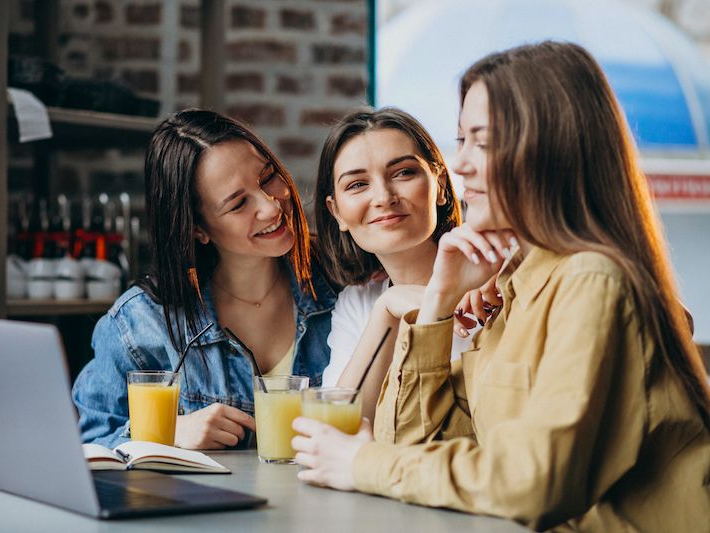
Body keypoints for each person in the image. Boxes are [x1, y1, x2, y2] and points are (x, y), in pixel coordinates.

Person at [292, 41, 710, 532]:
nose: (461, 163)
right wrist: (439, 306)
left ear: (549, 150)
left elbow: (536, 482)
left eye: (482, 142)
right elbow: (406, 439)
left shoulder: (592, 279)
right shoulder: (516, 280)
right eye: (461, 141)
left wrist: (363, 464)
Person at [73, 110, 337, 450]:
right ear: (197, 229)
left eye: (268, 177)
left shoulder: (340, 280)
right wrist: (165, 434)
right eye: (239, 203)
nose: (272, 207)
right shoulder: (139, 324)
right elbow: (88, 445)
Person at [314, 108, 487, 420]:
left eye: (404, 173)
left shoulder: (492, 283)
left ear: (441, 187)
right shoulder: (358, 304)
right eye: (357, 185)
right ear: (336, 211)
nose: (384, 197)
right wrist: (387, 309)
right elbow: (336, 429)